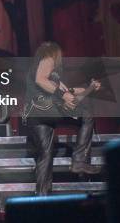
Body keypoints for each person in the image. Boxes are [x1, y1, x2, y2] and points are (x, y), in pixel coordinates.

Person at [23, 41, 101, 196]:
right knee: (86, 116)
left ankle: (42, 195)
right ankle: (79, 160)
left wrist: (89, 88)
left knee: (45, 154)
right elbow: (41, 80)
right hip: (45, 111)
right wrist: (62, 94)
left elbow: (69, 91)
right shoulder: (47, 59)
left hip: (36, 116)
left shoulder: (52, 76)